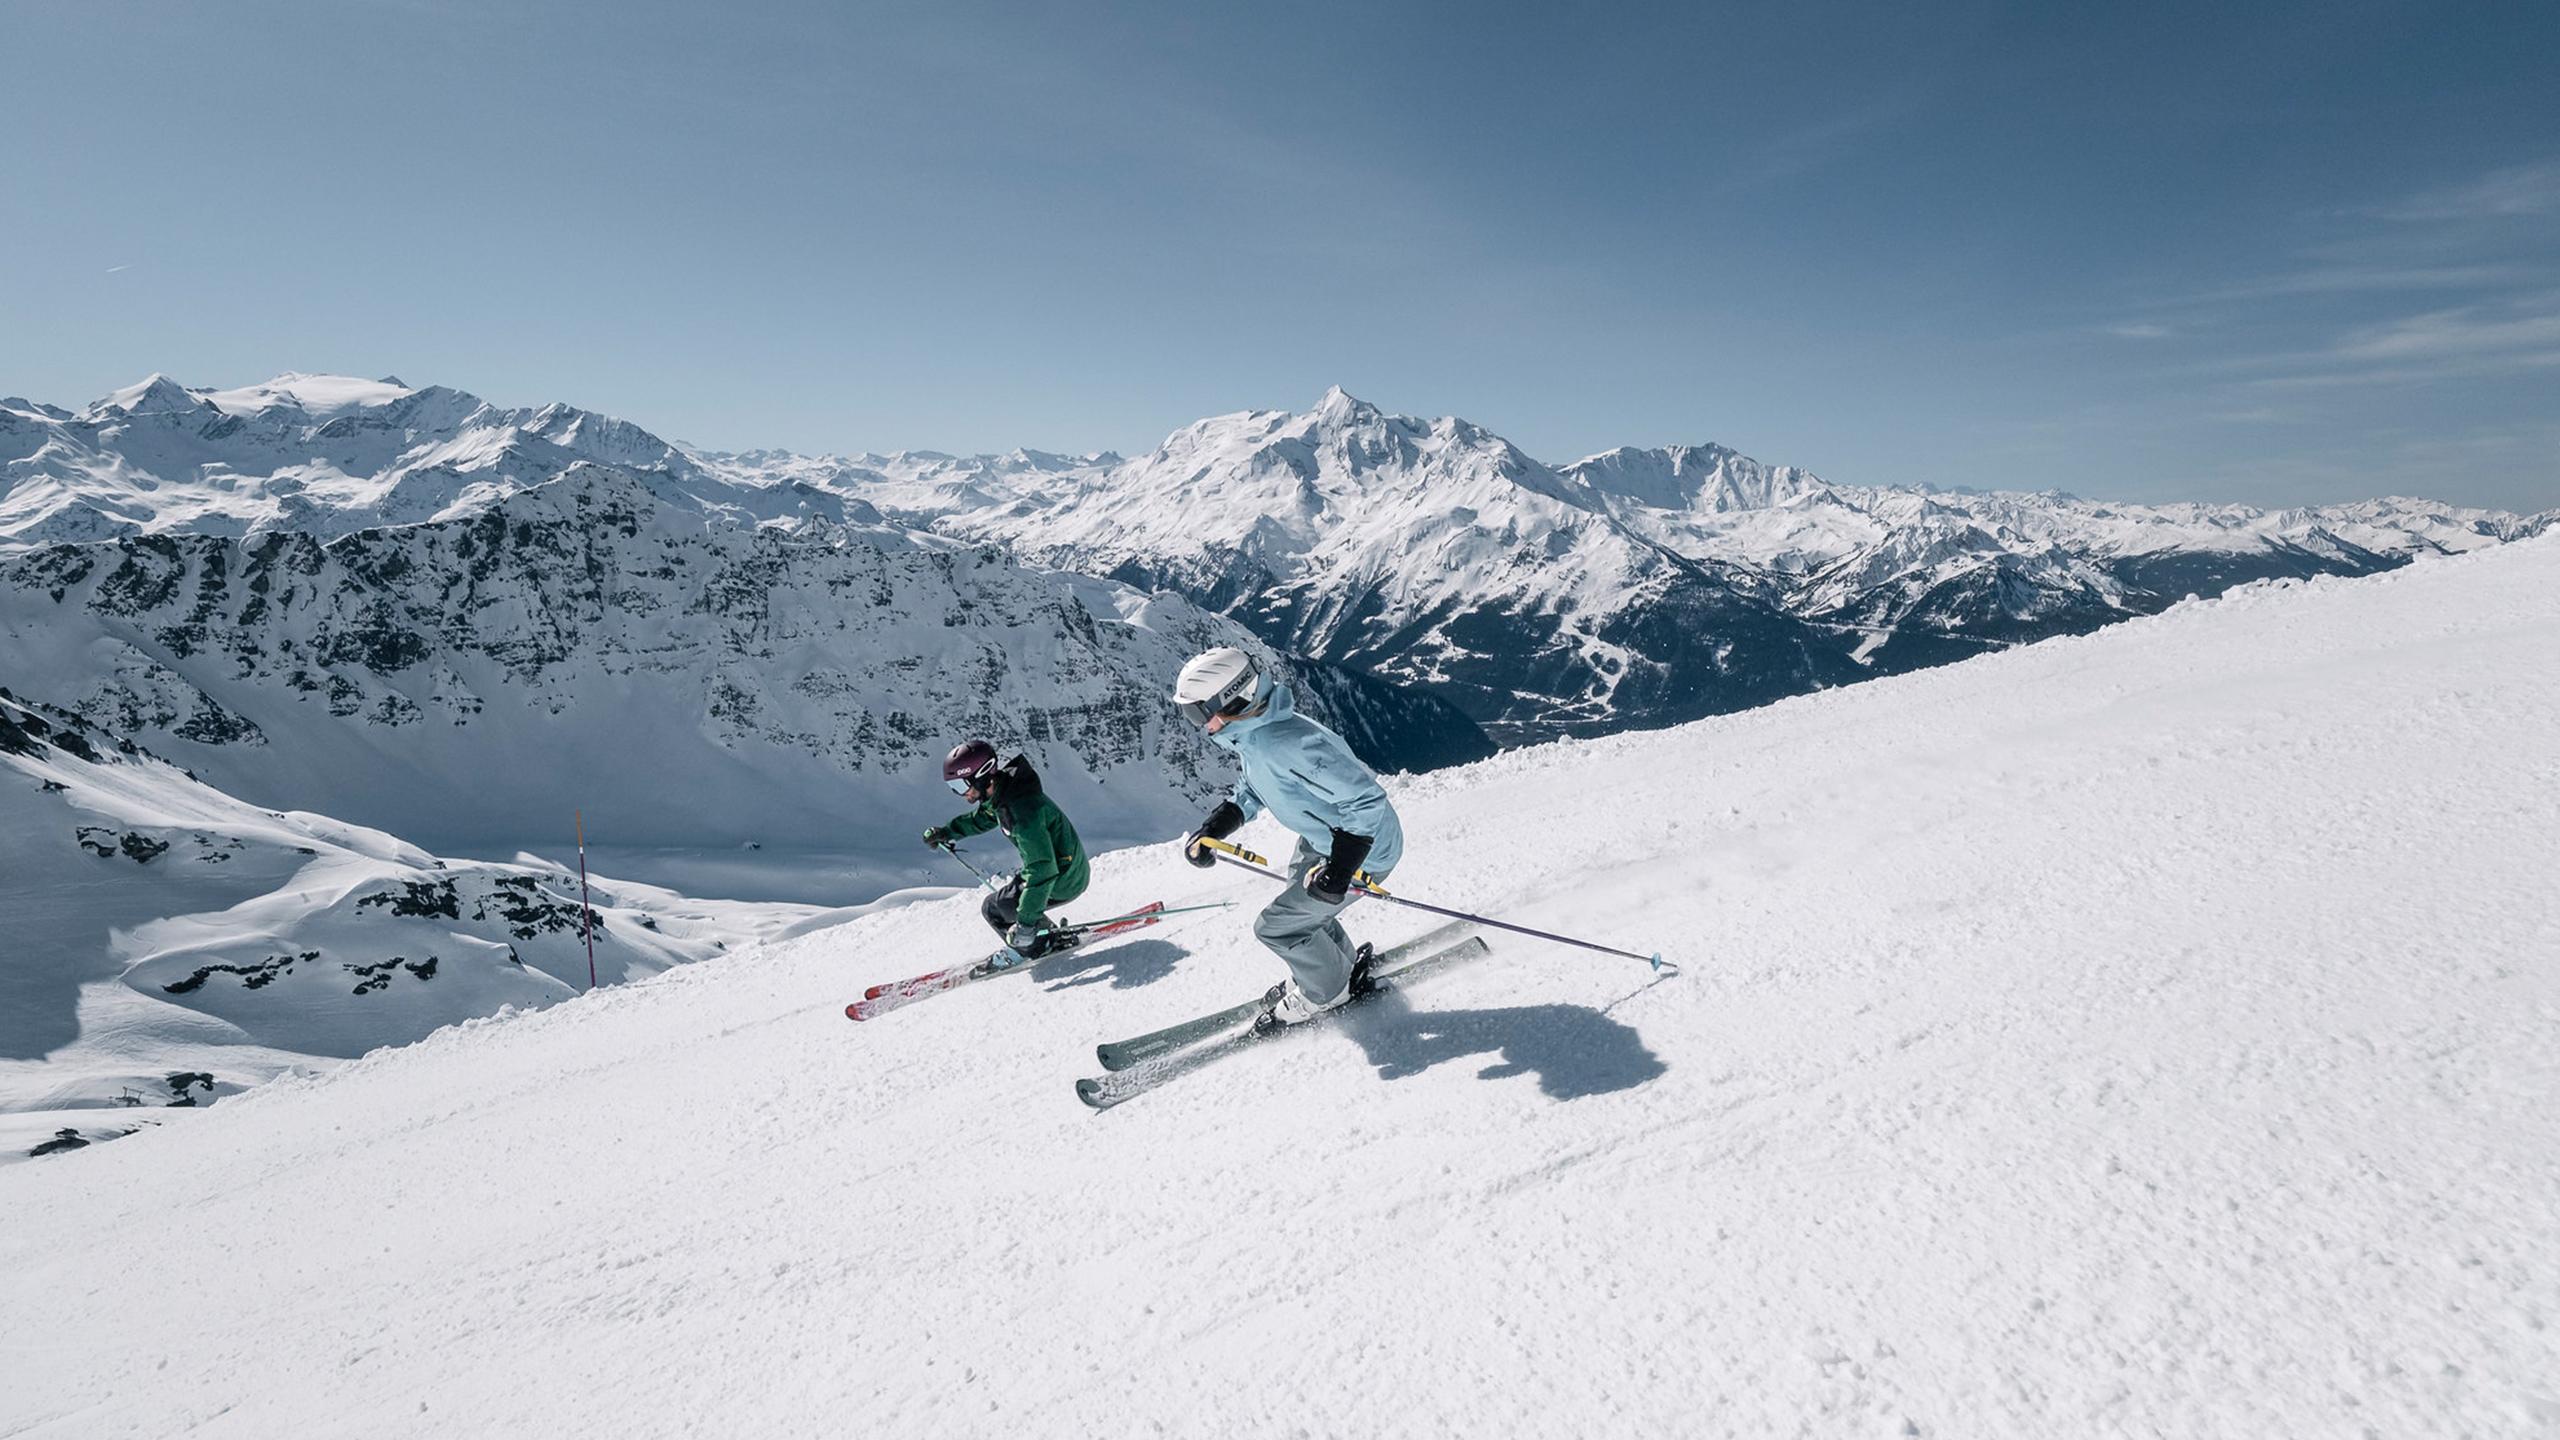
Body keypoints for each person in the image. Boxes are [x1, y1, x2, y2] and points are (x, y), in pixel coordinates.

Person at [1171, 646, 1403, 1026]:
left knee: (1276, 927)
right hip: (1322, 839)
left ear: (1233, 697)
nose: (1197, 723)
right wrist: (1216, 827)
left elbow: (1366, 799)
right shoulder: (1255, 735)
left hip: (1365, 851)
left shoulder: (1286, 744)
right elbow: (1254, 786)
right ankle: (1336, 969)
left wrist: (1341, 870)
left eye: (1198, 711)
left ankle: (1327, 992)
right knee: (1305, 908)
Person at [922, 739, 1090, 965]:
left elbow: (1042, 869)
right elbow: (983, 817)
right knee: (1003, 903)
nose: (962, 795)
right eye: (954, 788)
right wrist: (948, 832)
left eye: (961, 787)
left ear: (981, 777)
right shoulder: (1005, 791)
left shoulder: (1020, 812)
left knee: (995, 909)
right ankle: (1046, 937)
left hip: (1063, 877)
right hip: (1066, 867)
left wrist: (1026, 924)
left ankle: (1035, 947)